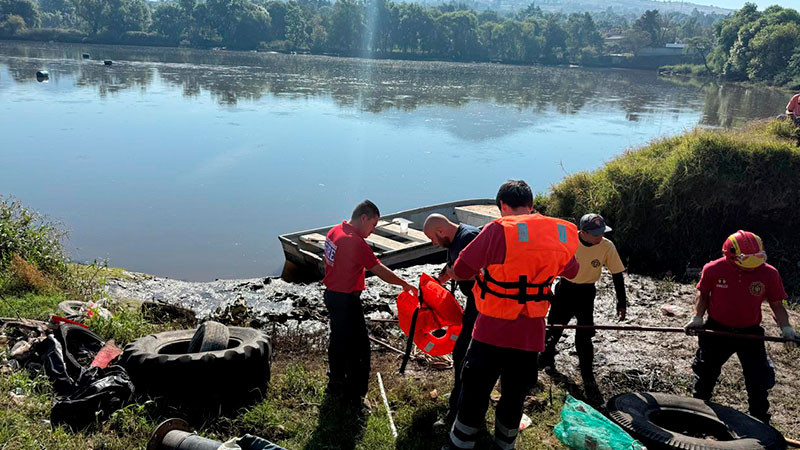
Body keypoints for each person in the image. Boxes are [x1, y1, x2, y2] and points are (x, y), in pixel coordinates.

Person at [445, 180, 580, 450]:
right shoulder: (559, 233)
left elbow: (460, 270)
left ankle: (461, 445)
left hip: (490, 331)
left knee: (474, 392)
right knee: (514, 395)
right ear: (531, 206)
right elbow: (572, 271)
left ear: (503, 206)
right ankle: (504, 445)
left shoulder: (498, 230)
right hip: (530, 334)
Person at [685, 230, 799, 424]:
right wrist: (697, 317)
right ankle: (697, 414)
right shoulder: (713, 269)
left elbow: (777, 304)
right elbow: (703, 295)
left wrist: (786, 328)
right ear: (729, 254)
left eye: (757, 259)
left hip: (750, 332)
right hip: (717, 330)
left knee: (758, 379)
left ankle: (760, 420)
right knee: (705, 374)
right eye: (747, 261)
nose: (752, 267)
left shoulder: (769, 273)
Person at [323, 199, 417, 409]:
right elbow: (379, 269)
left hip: (331, 295)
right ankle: (356, 396)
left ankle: (335, 383)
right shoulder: (354, 241)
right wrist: (404, 284)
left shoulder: (334, 231)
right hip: (346, 300)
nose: (372, 231)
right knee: (359, 350)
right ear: (363, 218)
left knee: (338, 342)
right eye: (373, 225)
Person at [539, 213, 627, 405]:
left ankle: (587, 374)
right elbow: (549, 265)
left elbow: (617, 274)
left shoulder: (606, 246)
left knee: (585, 334)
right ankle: (546, 360)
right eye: (596, 234)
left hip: (587, 293)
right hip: (565, 290)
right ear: (583, 232)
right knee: (553, 327)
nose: (600, 237)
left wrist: (622, 302)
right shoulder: (568, 242)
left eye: (602, 233)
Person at [423, 213, 480, 429]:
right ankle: (461, 392)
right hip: (472, 302)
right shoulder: (453, 241)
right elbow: (450, 268)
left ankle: (457, 409)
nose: (433, 243)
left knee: (462, 354)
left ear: (440, 231)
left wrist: (456, 275)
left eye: (433, 238)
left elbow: (482, 272)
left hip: (482, 304)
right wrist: (434, 284)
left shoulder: (468, 238)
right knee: (462, 355)